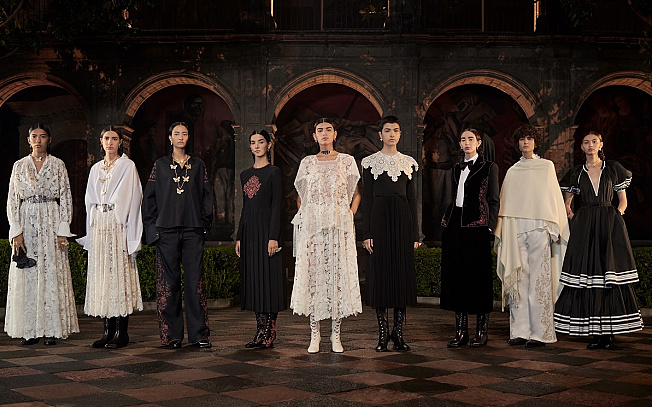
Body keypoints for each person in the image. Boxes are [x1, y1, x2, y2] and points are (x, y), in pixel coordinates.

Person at [554, 131, 643, 349]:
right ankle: (595, 332)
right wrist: (575, 218)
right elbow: (567, 203)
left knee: (607, 274)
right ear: (582, 147)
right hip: (585, 226)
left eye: (594, 141)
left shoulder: (613, 169)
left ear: (601, 144)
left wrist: (616, 217)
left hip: (609, 225)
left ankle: (608, 332)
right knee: (588, 274)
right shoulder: (576, 173)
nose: (590, 145)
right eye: (586, 142)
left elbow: (623, 200)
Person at [291, 118, 362, 353]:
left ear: (335, 134)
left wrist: (348, 215)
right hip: (313, 229)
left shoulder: (347, 161)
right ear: (314, 136)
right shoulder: (307, 163)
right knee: (314, 277)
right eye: (319, 130)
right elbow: (300, 197)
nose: (324, 133)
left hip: (339, 228)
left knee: (337, 278)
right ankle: (315, 333)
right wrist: (307, 217)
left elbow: (356, 194)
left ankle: (335, 334)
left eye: (328, 130)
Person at [494, 125, 569, 348]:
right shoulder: (513, 171)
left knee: (539, 280)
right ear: (517, 143)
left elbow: (553, 197)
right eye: (522, 139)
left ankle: (541, 332)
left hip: (539, 228)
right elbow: (506, 204)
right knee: (519, 278)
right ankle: (520, 331)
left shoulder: (546, 167)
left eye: (529, 138)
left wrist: (552, 227)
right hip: (516, 227)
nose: (526, 142)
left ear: (536, 142)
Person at [5, 123, 79, 345]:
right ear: (28, 140)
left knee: (51, 272)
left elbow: (66, 196)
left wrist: (63, 230)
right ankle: (30, 330)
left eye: (43, 136)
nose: (38, 140)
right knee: (29, 274)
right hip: (27, 220)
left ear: (49, 139)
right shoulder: (19, 166)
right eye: (34, 136)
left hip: (51, 219)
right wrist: (16, 231)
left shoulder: (58, 165)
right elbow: (12, 199)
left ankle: (50, 330)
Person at [142, 122, 213, 349]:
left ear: (188, 137)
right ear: (170, 138)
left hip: (193, 230)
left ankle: (199, 335)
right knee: (168, 285)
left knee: (195, 283)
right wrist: (153, 230)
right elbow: (149, 200)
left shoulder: (198, 165)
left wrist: (203, 227)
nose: (180, 137)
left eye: (184, 133)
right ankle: (171, 336)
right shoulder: (160, 165)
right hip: (166, 231)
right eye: (176, 133)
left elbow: (207, 198)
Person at [78, 126, 143, 349]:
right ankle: (107, 331)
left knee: (118, 275)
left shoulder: (127, 166)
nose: (110, 142)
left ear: (120, 142)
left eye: (114, 138)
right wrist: (92, 226)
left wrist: (129, 230)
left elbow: (134, 198)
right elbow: (89, 199)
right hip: (100, 224)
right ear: (101, 141)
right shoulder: (96, 168)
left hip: (118, 224)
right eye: (106, 138)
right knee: (104, 276)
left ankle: (121, 333)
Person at [361, 116, 420, 352]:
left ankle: (398, 333)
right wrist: (366, 233)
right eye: (387, 130)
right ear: (380, 134)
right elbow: (366, 199)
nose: (392, 134)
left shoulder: (409, 163)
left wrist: (415, 235)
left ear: (400, 133)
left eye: (396, 130)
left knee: (401, 275)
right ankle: (383, 333)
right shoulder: (369, 163)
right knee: (380, 275)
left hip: (403, 220)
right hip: (378, 220)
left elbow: (413, 199)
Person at [440, 128, 499, 348]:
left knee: (479, 278)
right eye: (463, 139)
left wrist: (490, 227)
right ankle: (461, 332)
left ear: (479, 142)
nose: (466, 143)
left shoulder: (489, 167)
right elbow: (452, 197)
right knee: (457, 278)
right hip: (455, 226)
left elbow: (494, 199)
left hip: (478, 227)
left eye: (470, 139)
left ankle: (481, 332)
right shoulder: (456, 168)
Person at [235, 130, 286, 349]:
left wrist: (273, 237)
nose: (256, 146)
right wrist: (239, 236)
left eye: (261, 142)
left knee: (269, 280)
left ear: (269, 145)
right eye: (253, 142)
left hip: (267, 231)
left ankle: (269, 332)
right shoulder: (244, 174)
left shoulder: (274, 172)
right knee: (255, 281)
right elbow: (245, 207)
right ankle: (259, 331)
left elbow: (277, 206)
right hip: (250, 232)